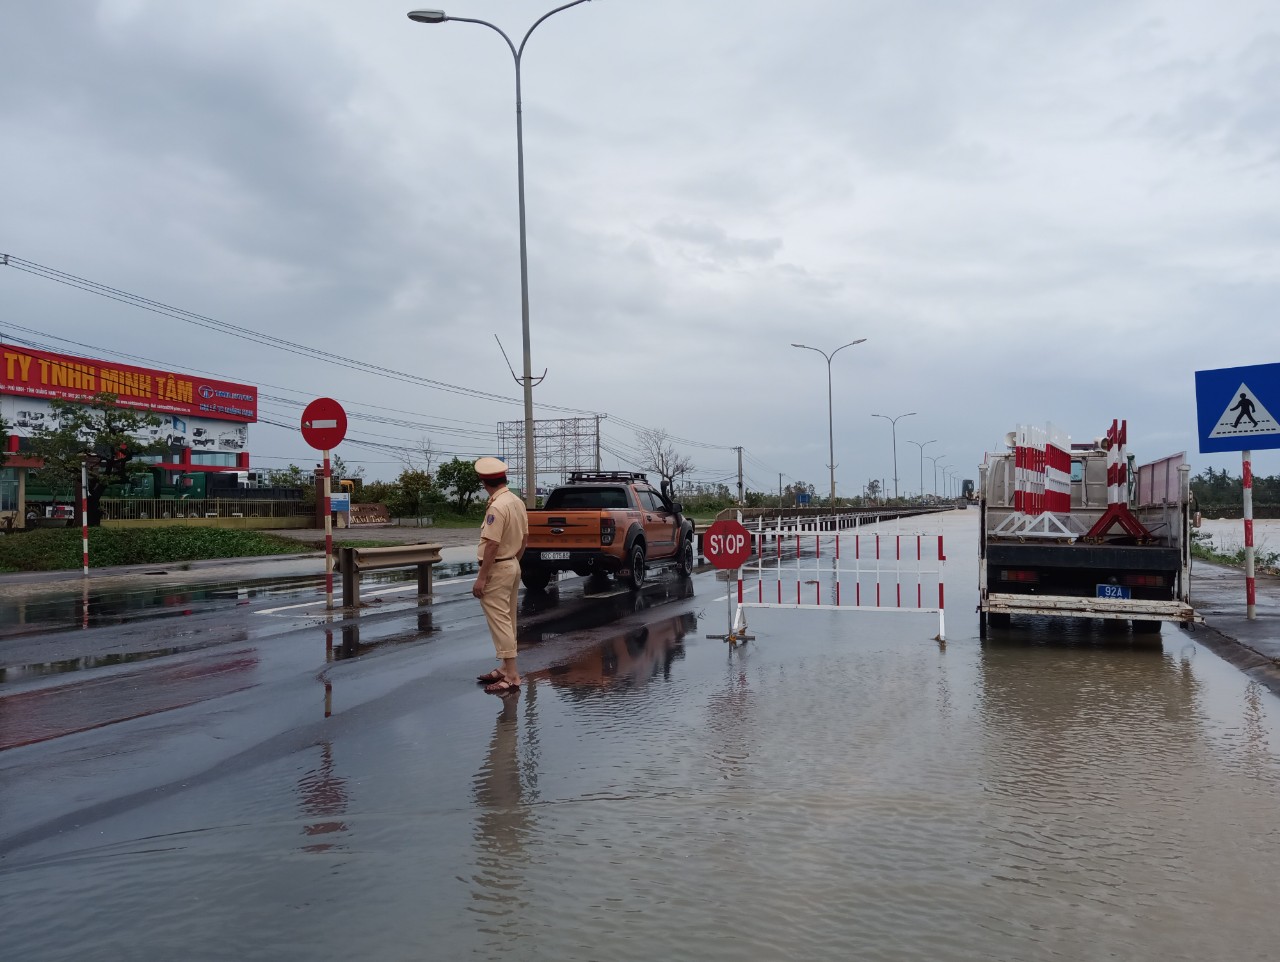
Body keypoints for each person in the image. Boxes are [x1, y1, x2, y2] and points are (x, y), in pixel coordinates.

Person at [472, 456, 528, 695]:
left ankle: (512, 675)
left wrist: (482, 577)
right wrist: (514, 560)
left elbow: (492, 544)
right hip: (512, 563)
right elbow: (525, 538)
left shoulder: (497, 506)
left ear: (484, 482)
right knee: (509, 618)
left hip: (498, 566)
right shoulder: (516, 501)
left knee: (500, 621)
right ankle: (505, 667)